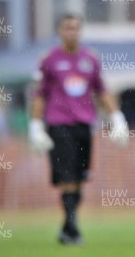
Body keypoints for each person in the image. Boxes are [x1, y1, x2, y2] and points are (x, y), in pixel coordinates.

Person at [29, 14, 129, 245]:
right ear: (60, 31)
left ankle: (67, 228)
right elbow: (39, 94)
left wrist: (117, 117)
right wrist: (35, 125)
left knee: (80, 178)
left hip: (84, 125)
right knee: (67, 177)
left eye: (75, 28)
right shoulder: (49, 60)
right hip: (59, 124)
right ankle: (73, 228)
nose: (72, 32)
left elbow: (102, 90)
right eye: (67, 28)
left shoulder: (90, 59)